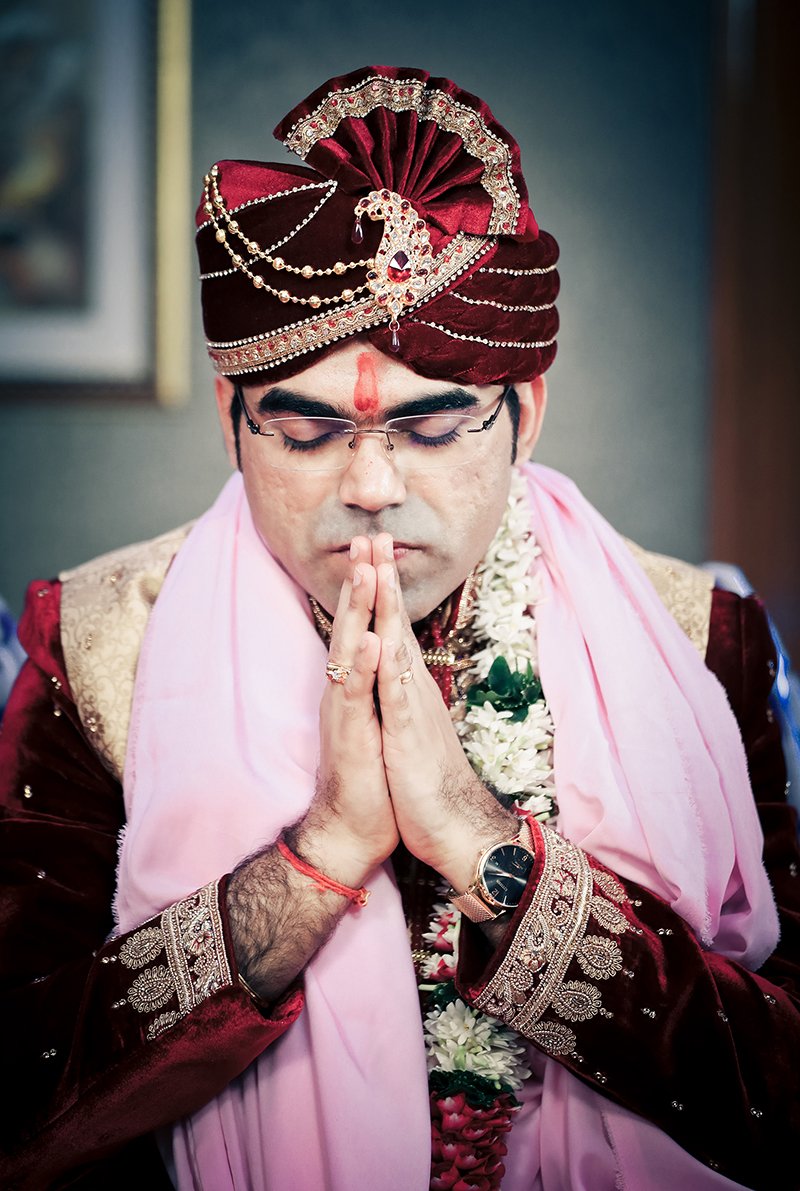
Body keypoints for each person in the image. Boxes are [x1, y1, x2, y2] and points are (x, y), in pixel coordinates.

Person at [0, 64, 798, 1191]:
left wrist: (479, 841)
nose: (370, 486)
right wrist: (319, 855)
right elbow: (20, 1105)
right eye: (306, 431)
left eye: (430, 429)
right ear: (232, 422)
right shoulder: (98, 645)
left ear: (525, 412)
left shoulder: (700, 640)